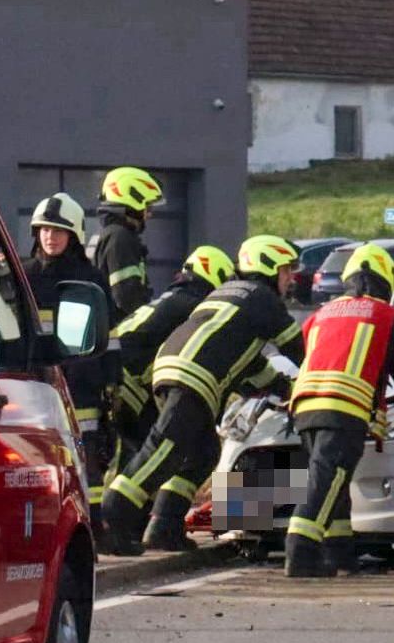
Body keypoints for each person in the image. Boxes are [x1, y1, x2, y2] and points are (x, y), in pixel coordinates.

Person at [102, 235, 304, 554]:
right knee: (164, 447)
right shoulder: (262, 298)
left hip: (175, 368)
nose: (291, 279)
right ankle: (114, 514)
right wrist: (314, 382)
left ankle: (163, 526)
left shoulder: (232, 297)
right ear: (267, 266)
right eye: (286, 270)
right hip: (192, 378)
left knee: (203, 452)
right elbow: (300, 348)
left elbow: (250, 365)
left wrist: (285, 389)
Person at [285, 244, 394, 577]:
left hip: (305, 406)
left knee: (334, 482)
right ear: (385, 282)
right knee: (326, 483)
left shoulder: (320, 314)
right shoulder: (386, 315)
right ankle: (300, 552)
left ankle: (340, 554)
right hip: (343, 408)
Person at [24, 192, 115, 529]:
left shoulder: (88, 279)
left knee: (87, 457)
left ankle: (93, 527)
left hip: (81, 385)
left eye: (59, 231)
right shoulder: (23, 275)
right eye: (45, 229)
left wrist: (110, 381)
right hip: (34, 382)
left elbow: (110, 335)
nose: (50, 236)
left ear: (73, 235)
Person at [110, 245, 236, 484]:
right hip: (126, 377)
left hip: (113, 371)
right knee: (152, 453)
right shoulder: (196, 308)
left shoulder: (174, 298)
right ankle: (123, 510)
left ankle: (122, 507)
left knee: (138, 451)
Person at [91, 166, 163, 318]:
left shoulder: (107, 233)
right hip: (116, 333)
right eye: (147, 206)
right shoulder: (120, 238)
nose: (149, 214)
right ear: (134, 201)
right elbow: (128, 298)